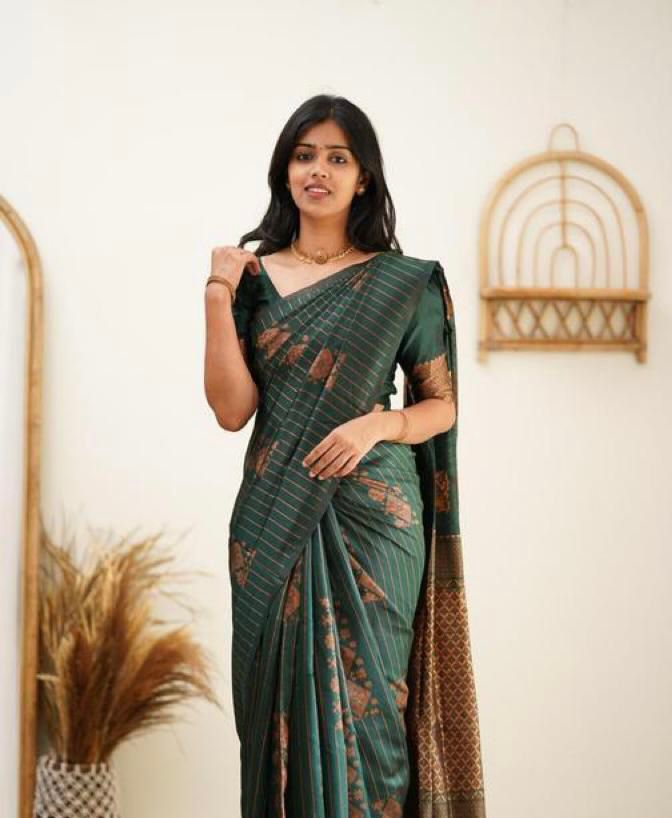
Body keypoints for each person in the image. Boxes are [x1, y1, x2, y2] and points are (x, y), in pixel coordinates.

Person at [204, 94, 486, 818]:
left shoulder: (402, 283)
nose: (318, 171)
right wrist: (216, 294)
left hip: (373, 520)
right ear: (284, 170)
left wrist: (377, 427)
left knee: (373, 714)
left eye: (337, 158)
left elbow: (441, 405)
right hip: (272, 519)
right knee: (276, 717)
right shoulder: (252, 282)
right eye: (304, 156)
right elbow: (232, 411)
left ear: (363, 179)